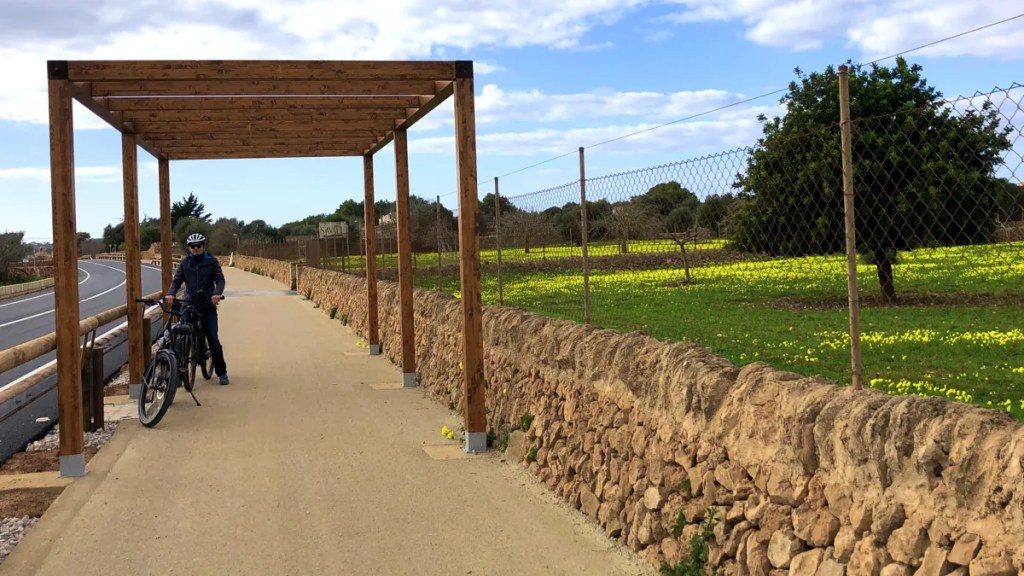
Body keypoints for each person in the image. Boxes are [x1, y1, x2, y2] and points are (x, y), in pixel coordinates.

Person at [164, 233, 229, 385]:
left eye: (198, 246)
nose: (195, 248)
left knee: (213, 339)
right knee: (180, 338)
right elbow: (177, 280)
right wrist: (171, 293)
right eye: (192, 246)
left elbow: (220, 280)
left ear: (203, 246)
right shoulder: (185, 263)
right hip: (189, 304)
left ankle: (222, 373)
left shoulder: (212, 262)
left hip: (207, 305)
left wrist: (217, 293)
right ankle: (179, 375)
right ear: (189, 248)